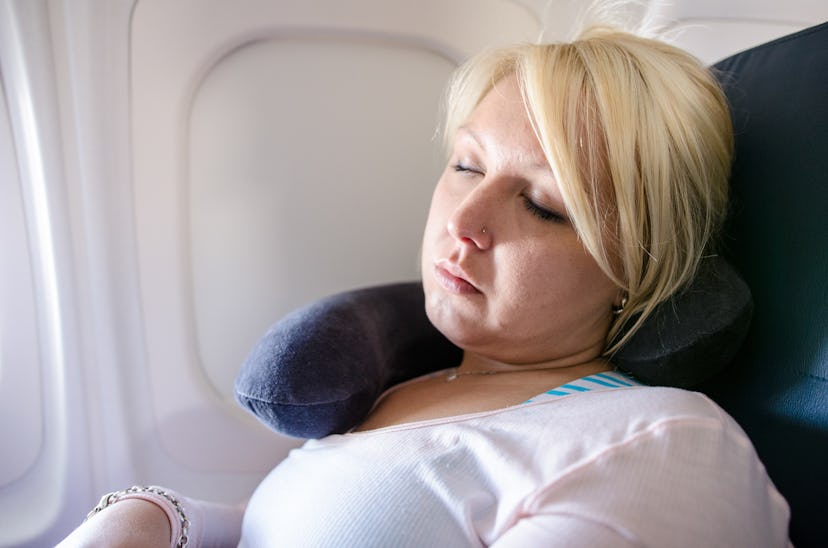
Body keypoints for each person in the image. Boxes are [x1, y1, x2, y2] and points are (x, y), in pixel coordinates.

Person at [59, 26, 790, 547]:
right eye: (468, 165)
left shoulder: (663, 446)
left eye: (543, 204)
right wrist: (154, 515)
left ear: (639, 266)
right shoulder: (417, 386)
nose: (463, 220)